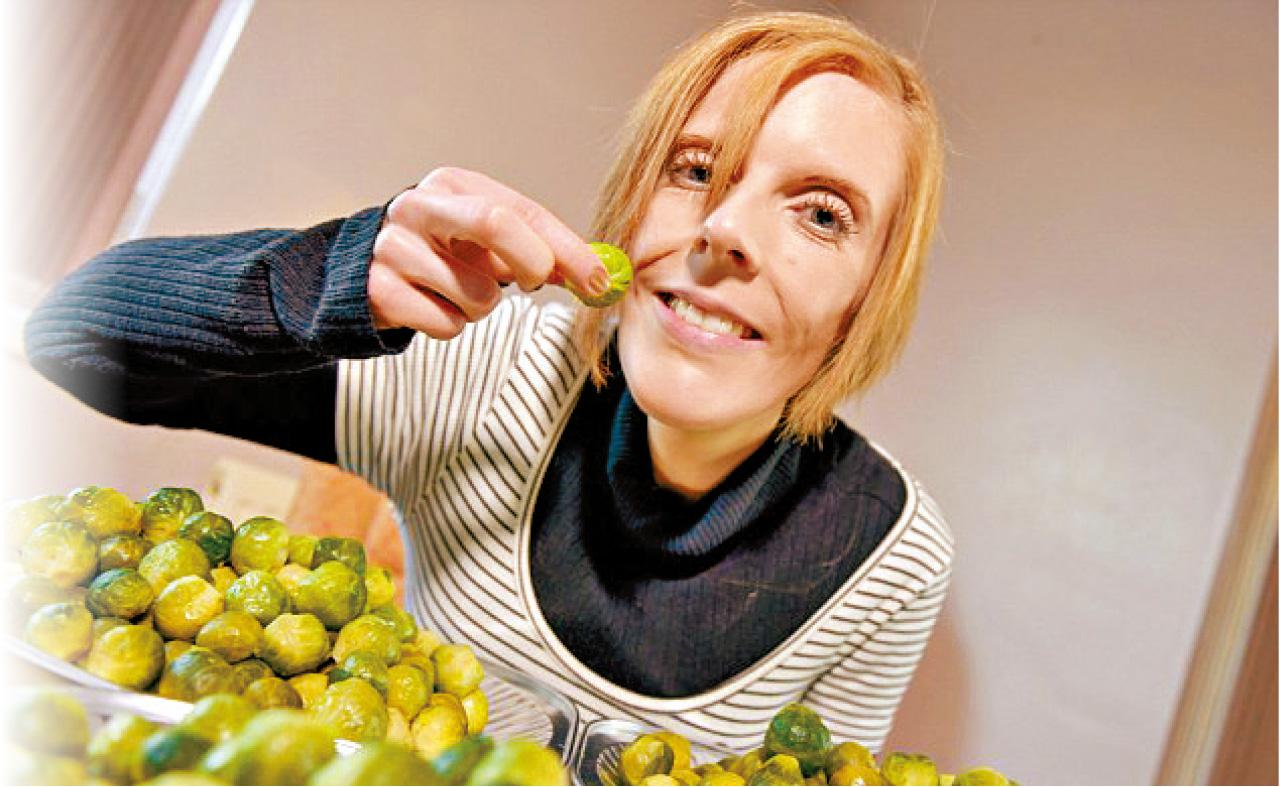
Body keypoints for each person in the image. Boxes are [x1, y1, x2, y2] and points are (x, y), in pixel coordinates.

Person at [26, 11, 951, 753]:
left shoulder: (893, 557)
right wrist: (326, 279)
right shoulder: (486, 372)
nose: (725, 230)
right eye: (696, 169)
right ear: (634, 206)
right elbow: (71, 333)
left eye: (821, 214)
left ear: (866, 297)